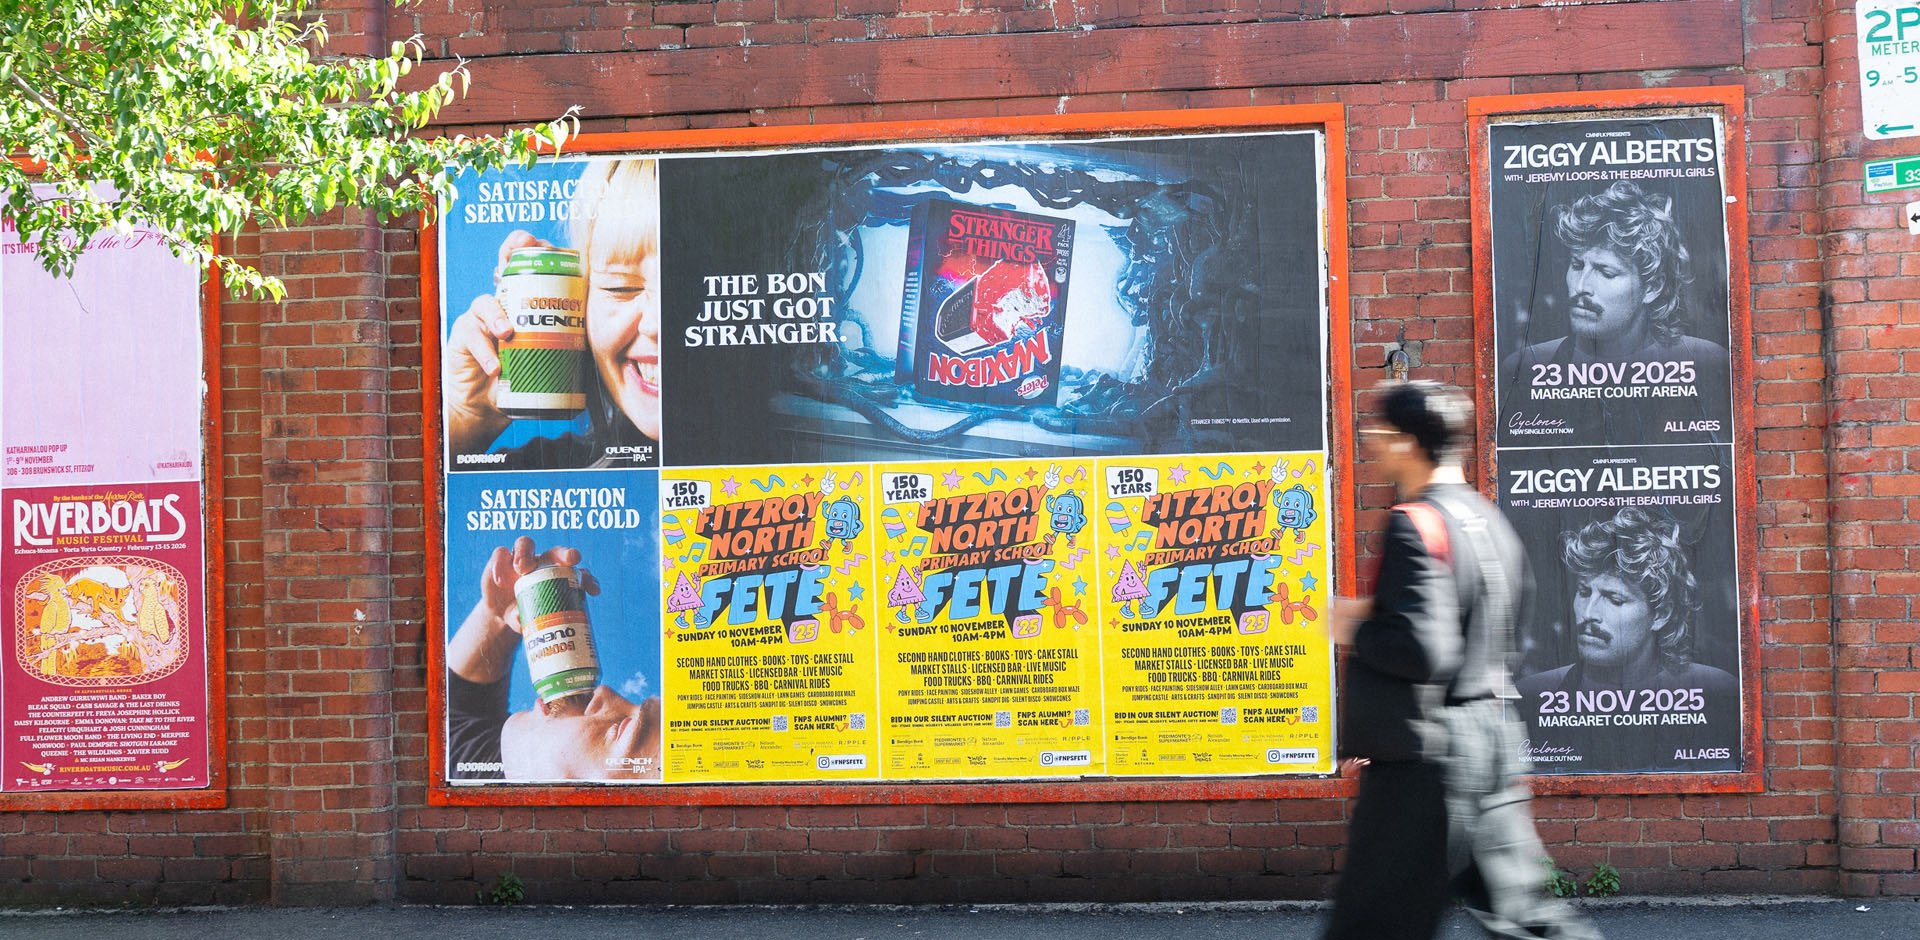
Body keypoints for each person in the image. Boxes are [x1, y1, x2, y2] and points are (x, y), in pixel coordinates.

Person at [1325, 380, 1598, 940]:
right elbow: (1505, 629)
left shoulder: (1416, 522)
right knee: (1521, 916)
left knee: (1370, 927)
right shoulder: (1488, 519)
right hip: (1491, 743)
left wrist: (1355, 626)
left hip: (1423, 763)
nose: (1371, 441)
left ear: (1407, 442)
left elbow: (1424, 649)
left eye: (1380, 431)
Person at [444, 159, 662, 469]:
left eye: (686, 286)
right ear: (582, 309)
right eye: (620, 287)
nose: (655, 324)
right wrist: (465, 418)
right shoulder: (546, 471)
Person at [1517, 508, 1737, 770]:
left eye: (1614, 599)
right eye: (1584, 592)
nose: (1588, 614)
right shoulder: (1532, 695)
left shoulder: (1715, 690)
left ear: (1661, 614)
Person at [446, 536, 662, 782]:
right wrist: (502, 613)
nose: (603, 692)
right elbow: (447, 721)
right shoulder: (485, 774)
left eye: (622, 729)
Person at [1503, 180, 1728, 371]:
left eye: (1606, 272)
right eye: (1577, 265)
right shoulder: (1525, 368)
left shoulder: (1707, 362)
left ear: (1652, 287)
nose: (1581, 286)